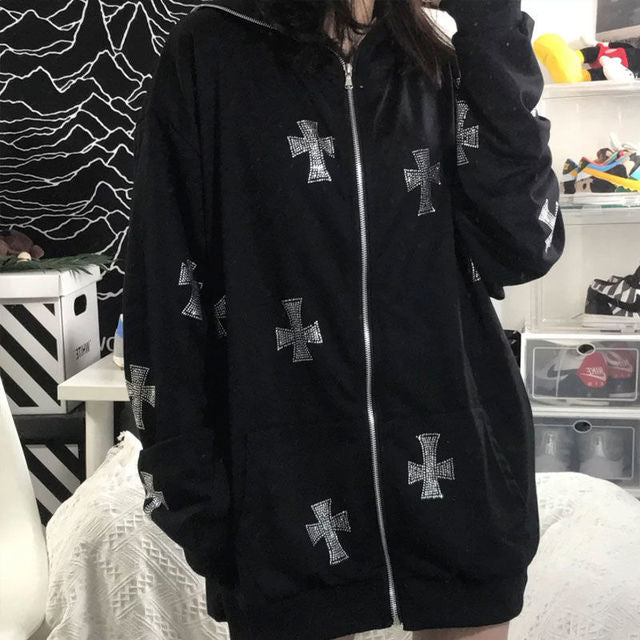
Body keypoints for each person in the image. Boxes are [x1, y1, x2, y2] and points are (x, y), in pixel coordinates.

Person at [122, 0, 564, 639]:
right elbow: (165, 279)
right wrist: (191, 486)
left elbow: (525, 245)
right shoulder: (209, 51)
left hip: (457, 476)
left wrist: (490, 22)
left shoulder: (441, 55)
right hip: (283, 492)